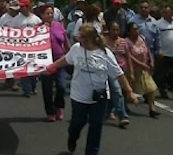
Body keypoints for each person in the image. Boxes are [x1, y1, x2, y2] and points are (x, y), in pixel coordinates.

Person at [41, 24, 137, 155]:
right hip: (79, 96)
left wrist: (129, 92)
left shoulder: (105, 53)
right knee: (77, 123)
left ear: (92, 39)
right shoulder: (76, 49)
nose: (79, 39)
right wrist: (51, 67)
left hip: (99, 97)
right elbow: (65, 60)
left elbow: (118, 74)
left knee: (96, 126)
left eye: (83, 37)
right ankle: (72, 137)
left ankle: (92, 152)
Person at [40, 5, 69, 121]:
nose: (50, 15)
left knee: (61, 86)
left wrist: (71, 54)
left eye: (51, 13)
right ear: (42, 15)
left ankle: (58, 107)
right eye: (47, 13)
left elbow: (65, 41)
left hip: (59, 60)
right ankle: (50, 112)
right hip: (45, 62)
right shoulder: (38, 29)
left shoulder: (59, 26)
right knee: (47, 89)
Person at [125, 22, 160, 118]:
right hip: (132, 69)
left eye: (137, 29)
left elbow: (148, 50)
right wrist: (141, 65)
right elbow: (130, 57)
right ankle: (123, 107)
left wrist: (151, 61)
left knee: (151, 88)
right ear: (128, 32)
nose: (136, 31)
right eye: (134, 29)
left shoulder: (142, 39)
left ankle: (152, 109)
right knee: (128, 90)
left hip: (144, 68)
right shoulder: (126, 42)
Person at [103, 22, 130, 127]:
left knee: (114, 92)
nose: (115, 32)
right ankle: (122, 115)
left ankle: (112, 113)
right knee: (115, 90)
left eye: (117, 30)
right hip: (107, 70)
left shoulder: (122, 42)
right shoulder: (104, 42)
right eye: (113, 30)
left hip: (119, 70)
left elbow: (127, 56)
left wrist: (130, 70)